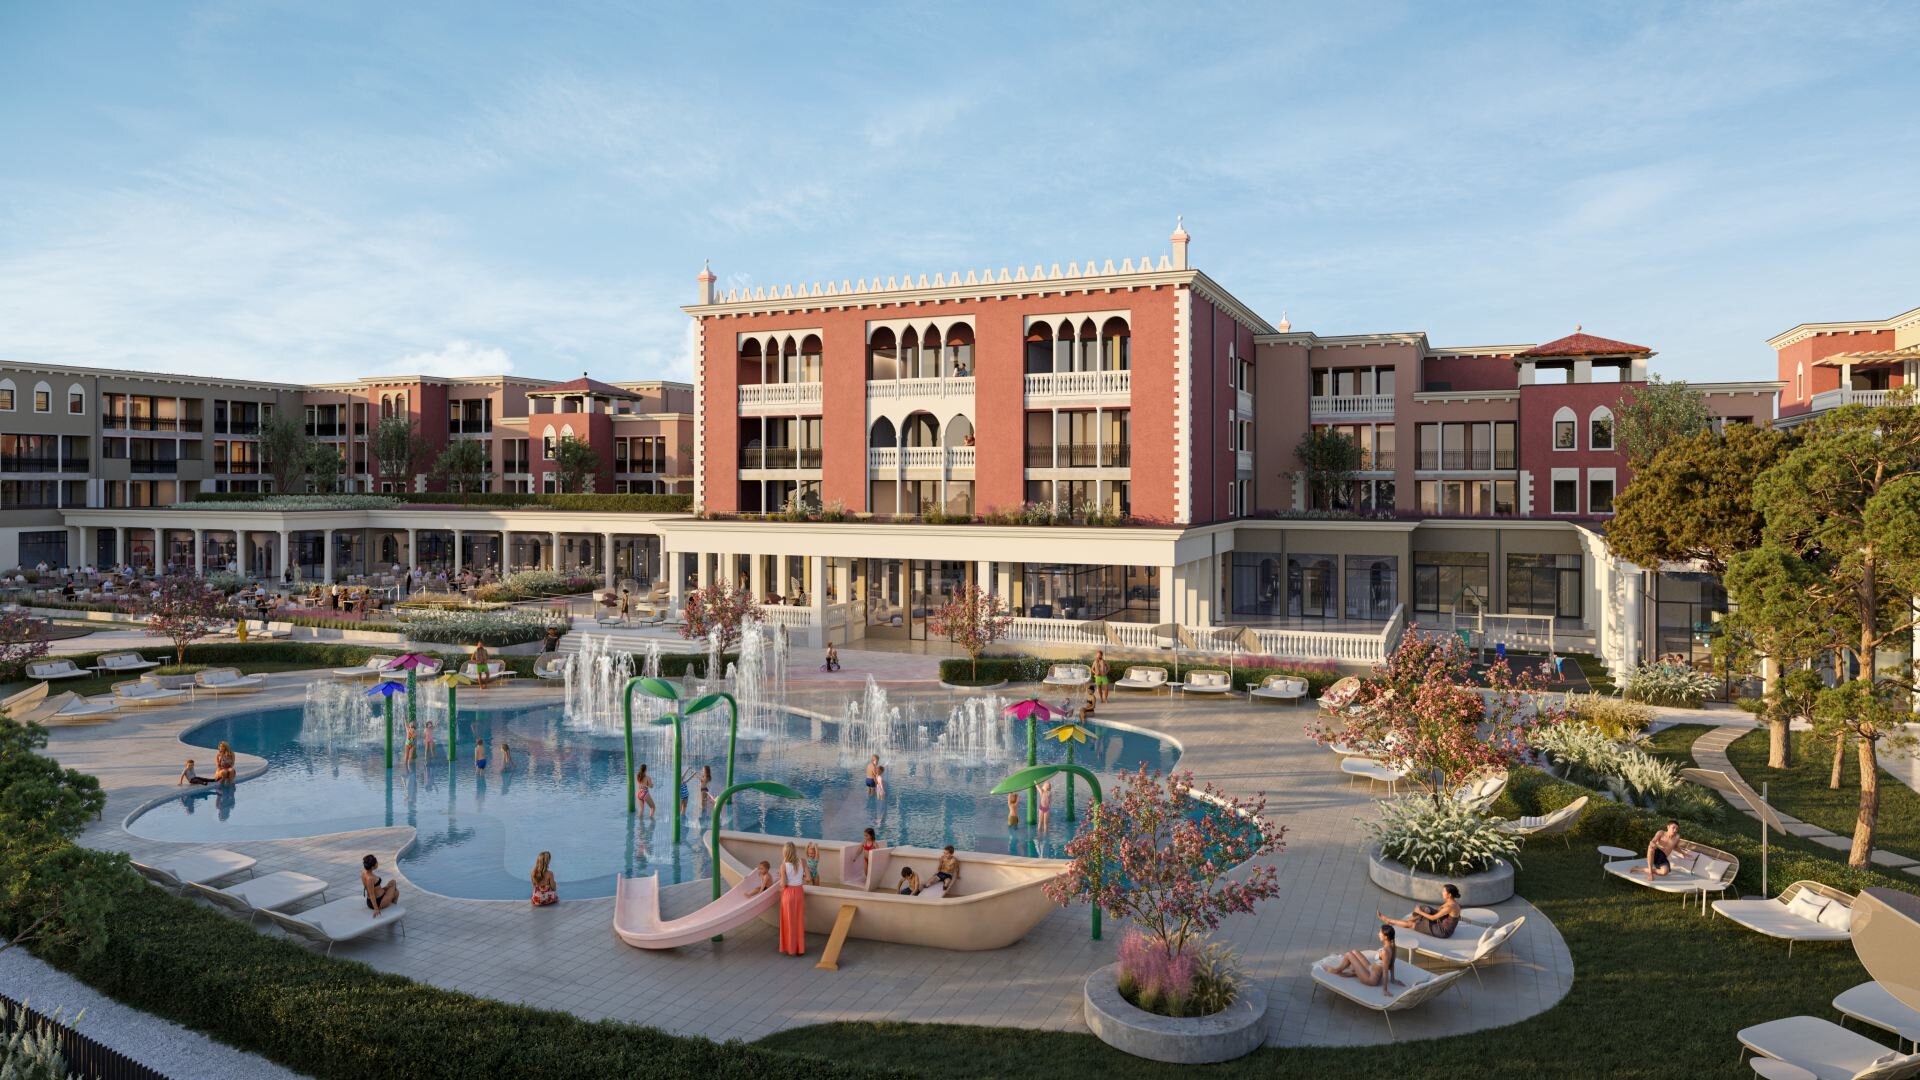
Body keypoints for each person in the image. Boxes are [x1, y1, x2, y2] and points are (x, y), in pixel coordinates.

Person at [1321, 925, 1398, 993]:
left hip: (1370, 978)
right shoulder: (1392, 947)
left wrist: (1385, 990)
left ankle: (1336, 970)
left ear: (1385, 937)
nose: (1378, 934)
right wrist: (1393, 979)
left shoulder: (1385, 952)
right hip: (1370, 969)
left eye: (1380, 932)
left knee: (1348, 954)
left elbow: (1385, 971)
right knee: (1355, 952)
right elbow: (1392, 965)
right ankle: (1355, 973)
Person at [1380, 883, 1462, 938]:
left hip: (1443, 931)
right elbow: (1439, 912)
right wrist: (1424, 912)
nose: (1442, 892)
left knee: (1411, 924)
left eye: (1444, 891)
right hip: (1441, 922)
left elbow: (1433, 918)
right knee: (1426, 908)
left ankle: (1388, 920)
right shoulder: (1451, 902)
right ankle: (1416, 918)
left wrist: (1420, 912)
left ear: (1449, 894)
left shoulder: (1450, 907)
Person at [778, 841, 807, 956]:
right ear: (795, 851)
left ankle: (790, 949)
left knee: (788, 921)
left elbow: (782, 884)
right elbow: (808, 878)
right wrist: (799, 877)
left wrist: (781, 876)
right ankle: (799, 948)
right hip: (799, 892)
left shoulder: (783, 865)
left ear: (785, 852)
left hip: (788, 893)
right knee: (798, 920)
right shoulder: (803, 861)